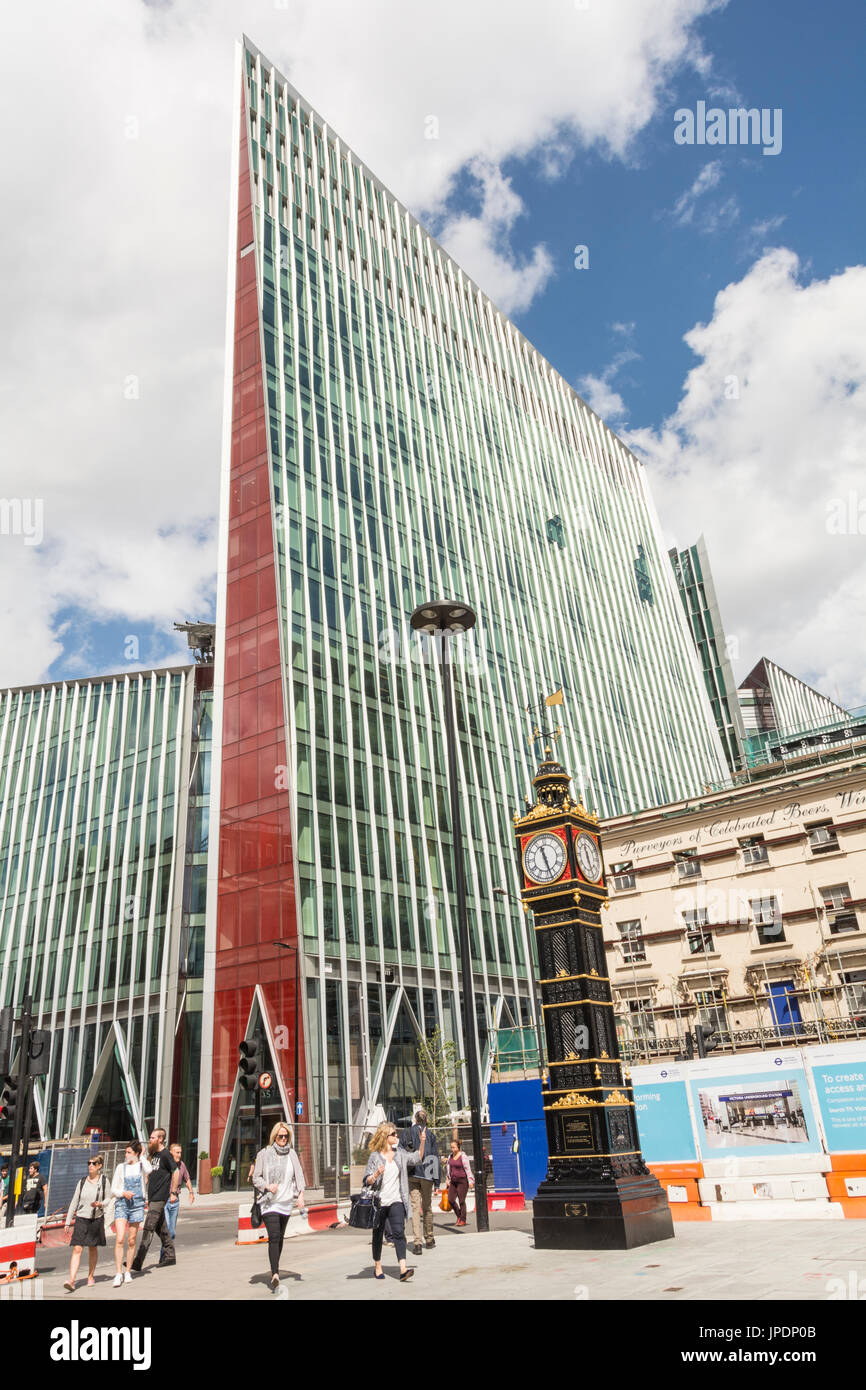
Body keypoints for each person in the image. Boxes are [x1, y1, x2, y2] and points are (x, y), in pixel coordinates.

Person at [252, 1121, 307, 1292]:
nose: (283, 1139)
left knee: (280, 1237)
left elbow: (299, 1176)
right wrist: (268, 1187)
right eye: (280, 1136)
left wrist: (301, 1195)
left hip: (286, 1203)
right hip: (269, 1203)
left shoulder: (292, 1154)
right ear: (274, 1136)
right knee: (274, 1235)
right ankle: (275, 1273)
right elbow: (256, 1178)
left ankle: (275, 1266)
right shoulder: (264, 1154)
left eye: (286, 1136)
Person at [365, 1121, 420, 1282]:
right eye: (393, 1134)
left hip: (396, 1200)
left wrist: (422, 1142)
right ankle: (378, 1266)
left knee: (398, 1233)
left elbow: (417, 1158)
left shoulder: (399, 1154)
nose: (397, 1136)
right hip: (380, 1202)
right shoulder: (375, 1157)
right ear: (385, 1136)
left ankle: (403, 1269)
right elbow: (367, 1180)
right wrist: (375, 1175)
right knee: (378, 1234)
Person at [130, 1127, 179, 1272]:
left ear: (160, 1139)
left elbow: (175, 1172)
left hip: (159, 1197)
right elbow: (149, 1173)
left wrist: (173, 1192)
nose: (150, 1140)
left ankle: (138, 1261)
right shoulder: (154, 1154)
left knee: (148, 1228)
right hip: (152, 1197)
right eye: (150, 1137)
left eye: (152, 1137)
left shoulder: (165, 1155)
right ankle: (170, 1256)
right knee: (161, 1228)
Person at [63, 1155, 109, 1291]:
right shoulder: (82, 1182)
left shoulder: (104, 1181)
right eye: (89, 1163)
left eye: (94, 1163)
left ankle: (90, 1276)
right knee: (77, 1248)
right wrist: (67, 1222)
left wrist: (100, 1203)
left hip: (96, 1218)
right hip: (81, 1218)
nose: (90, 1165)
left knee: (92, 1248)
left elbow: (109, 1199)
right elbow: (74, 1201)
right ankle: (71, 1280)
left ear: (99, 1166)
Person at [110, 1141, 152, 1286]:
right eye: (126, 1152)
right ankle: (118, 1273)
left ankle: (127, 1271)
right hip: (122, 1203)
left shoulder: (141, 1165)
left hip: (137, 1204)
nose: (126, 1155)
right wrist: (123, 1192)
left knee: (132, 1239)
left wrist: (142, 1156)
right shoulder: (121, 1167)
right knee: (120, 1238)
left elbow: (150, 1169)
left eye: (129, 1152)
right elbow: (113, 1189)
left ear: (136, 1153)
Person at [400, 1108, 440, 1254]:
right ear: (426, 1120)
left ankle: (417, 1243)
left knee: (415, 1208)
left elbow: (400, 1152)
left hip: (412, 1173)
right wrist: (437, 1181)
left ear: (415, 1119)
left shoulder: (406, 1133)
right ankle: (429, 1238)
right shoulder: (430, 1135)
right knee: (427, 1207)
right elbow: (435, 1157)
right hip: (428, 1174)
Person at [160, 1143, 194, 1263]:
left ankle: (165, 1255)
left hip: (176, 1201)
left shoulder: (182, 1165)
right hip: (165, 1200)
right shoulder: (165, 1165)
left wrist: (191, 1192)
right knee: (167, 1230)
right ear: (171, 1153)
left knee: (172, 1232)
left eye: (180, 1152)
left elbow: (187, 1179)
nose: (179, 1155)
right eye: (177, 1152)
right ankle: (165, 1256)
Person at [446, 1138, 474, 1227]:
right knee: (450, 1200)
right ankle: (459, 1216)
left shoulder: (463, 1156)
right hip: (453, 1181)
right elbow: (449, 1169)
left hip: (462, 1181)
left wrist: (470, 1181)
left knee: (461, 1201)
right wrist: (447, 1179)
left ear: (458, 1147)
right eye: (451, 1147)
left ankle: (463, 1219)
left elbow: (468, 1169)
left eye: (454, 1147)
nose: (452, 1149)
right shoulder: (450, 1156)